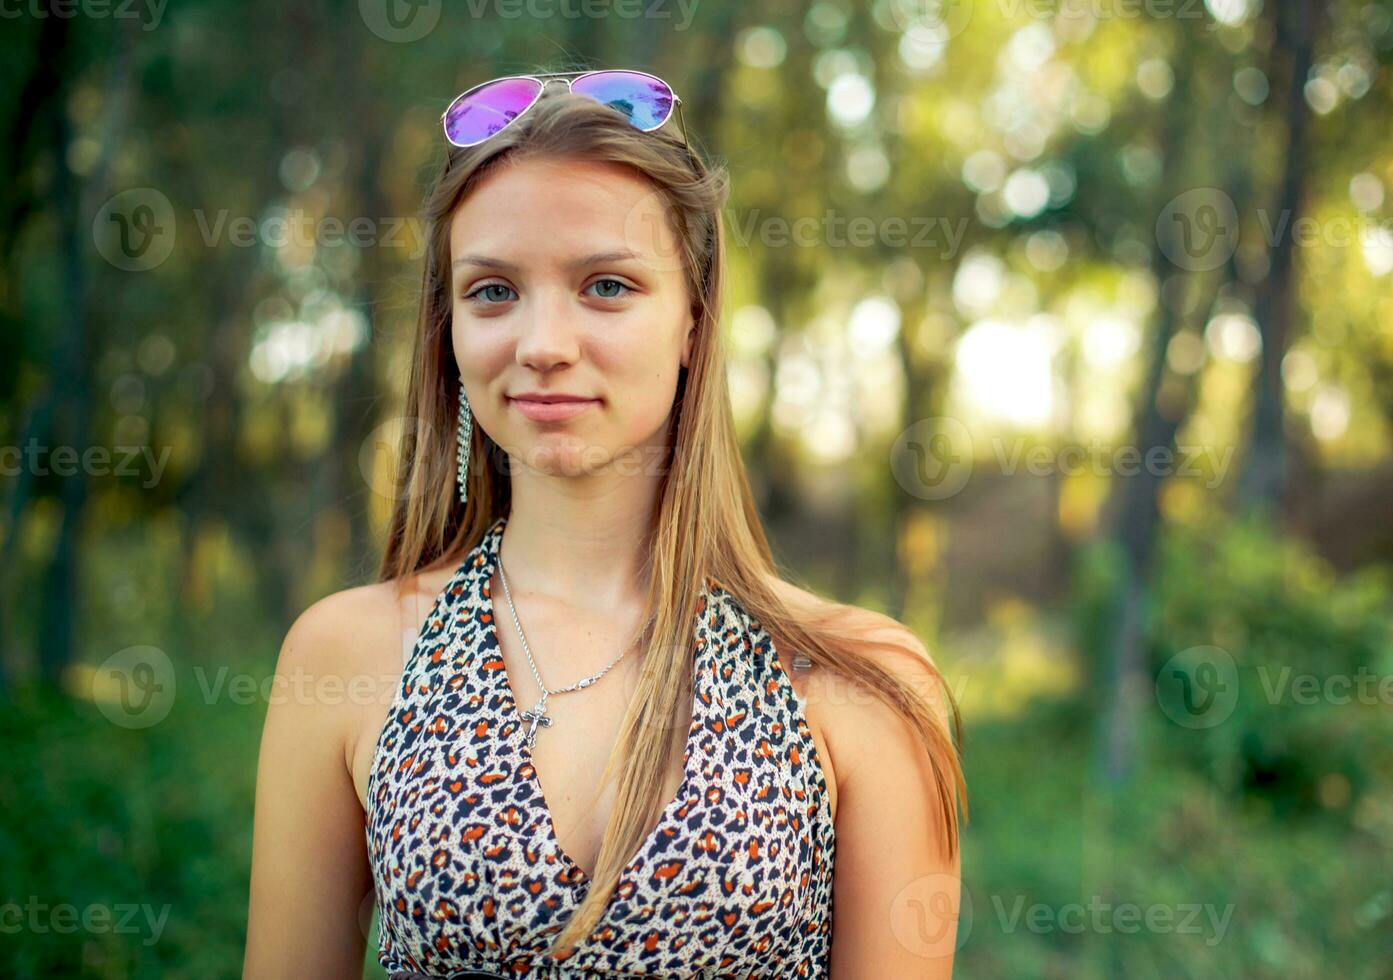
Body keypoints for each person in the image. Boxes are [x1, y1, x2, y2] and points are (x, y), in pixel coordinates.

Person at [243, 67, 967, 979]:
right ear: (450, 331)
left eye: (607, 286)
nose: (543, 343)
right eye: (494, 291)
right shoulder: (346, 654)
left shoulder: (864, 680)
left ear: (694, 323)